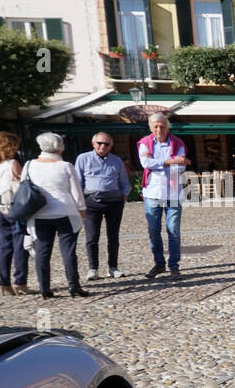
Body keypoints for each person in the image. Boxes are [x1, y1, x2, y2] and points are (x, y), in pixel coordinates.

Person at [25, 132, 88, 299]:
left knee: (42, 252)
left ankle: (44, 288)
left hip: (39, 213)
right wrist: (82, 213)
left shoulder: (30, 165)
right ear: (59, 147)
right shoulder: (65, 166)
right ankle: (74, 285)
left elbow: (22, 187)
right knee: (68, 251)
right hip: (64, 212)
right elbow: (77, 192)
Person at [137, 112, 188, 279]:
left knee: (173, 230)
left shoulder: (177, 143)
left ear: (167, 127)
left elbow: (180, 168)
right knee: (153, 230)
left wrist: (159, 164)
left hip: (173, 192)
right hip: (152, 192)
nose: (159, 129)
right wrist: (170, 161)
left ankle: (174, 265)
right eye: (155, 126)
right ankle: (159, 264)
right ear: (151, 127)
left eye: (162, 126)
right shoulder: (145, 143)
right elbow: (145, 163)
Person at [75, 133, 130, 279]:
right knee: (92, 237)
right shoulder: (83, 158)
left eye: (106, 144)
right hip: (91, 202)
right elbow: (78, 181)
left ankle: (113, 267)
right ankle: (93, 268)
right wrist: (79, 202)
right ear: (93, 143)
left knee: (113, 236)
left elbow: (123, 180)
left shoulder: (116, 160)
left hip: (113, 201)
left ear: (111, 146)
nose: (102, 146)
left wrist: (124, 195)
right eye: (99, 143)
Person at [0, 131, 30, 297]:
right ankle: (20, 281)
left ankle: (4, 282)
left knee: (4, 244)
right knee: (20, 242)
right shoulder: (13, 163)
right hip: (11, 202)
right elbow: (21, 185)